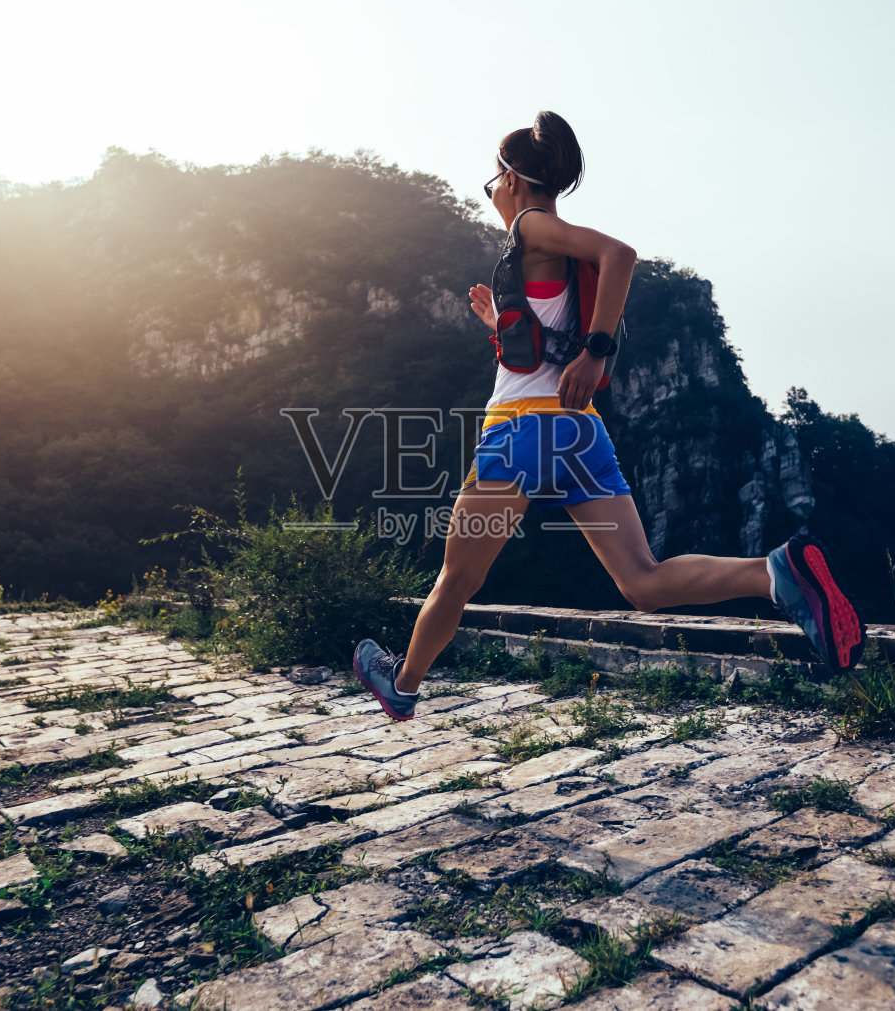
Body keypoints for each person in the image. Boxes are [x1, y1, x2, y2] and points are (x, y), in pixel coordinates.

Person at [354, 111, 865, 721]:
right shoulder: (546, 252)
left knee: (455, 582)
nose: (491, 194)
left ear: (512, 180)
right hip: (580, 434)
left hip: (520, 433)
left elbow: (620, 253)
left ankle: (401, 685)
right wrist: (505, 327)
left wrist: (597, 352)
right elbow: (548, 340)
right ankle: (773, 572)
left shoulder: (532, 226)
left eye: (491, 182)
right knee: (642, 581)